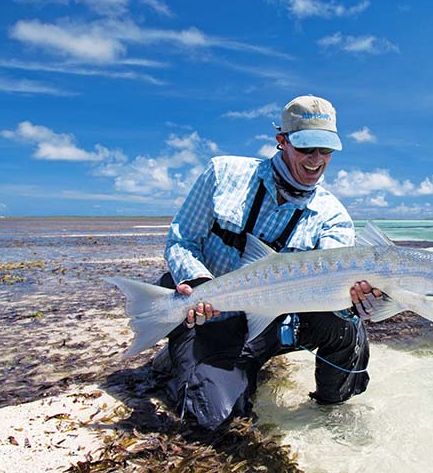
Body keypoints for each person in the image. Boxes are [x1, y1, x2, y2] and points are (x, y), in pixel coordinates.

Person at [156, 95, 382, 430]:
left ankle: (327, 413)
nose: (316, 160)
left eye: (326, 150)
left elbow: (337, 284)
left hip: (275, 321)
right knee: (217, 421)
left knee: (346, 326)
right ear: (282, 141)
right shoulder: (222, 174)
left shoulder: (333, 215)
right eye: (307, 149)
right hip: (211, 318)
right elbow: (182, 241)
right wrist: (200, 283)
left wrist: (360, 300)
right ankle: (183, 358)